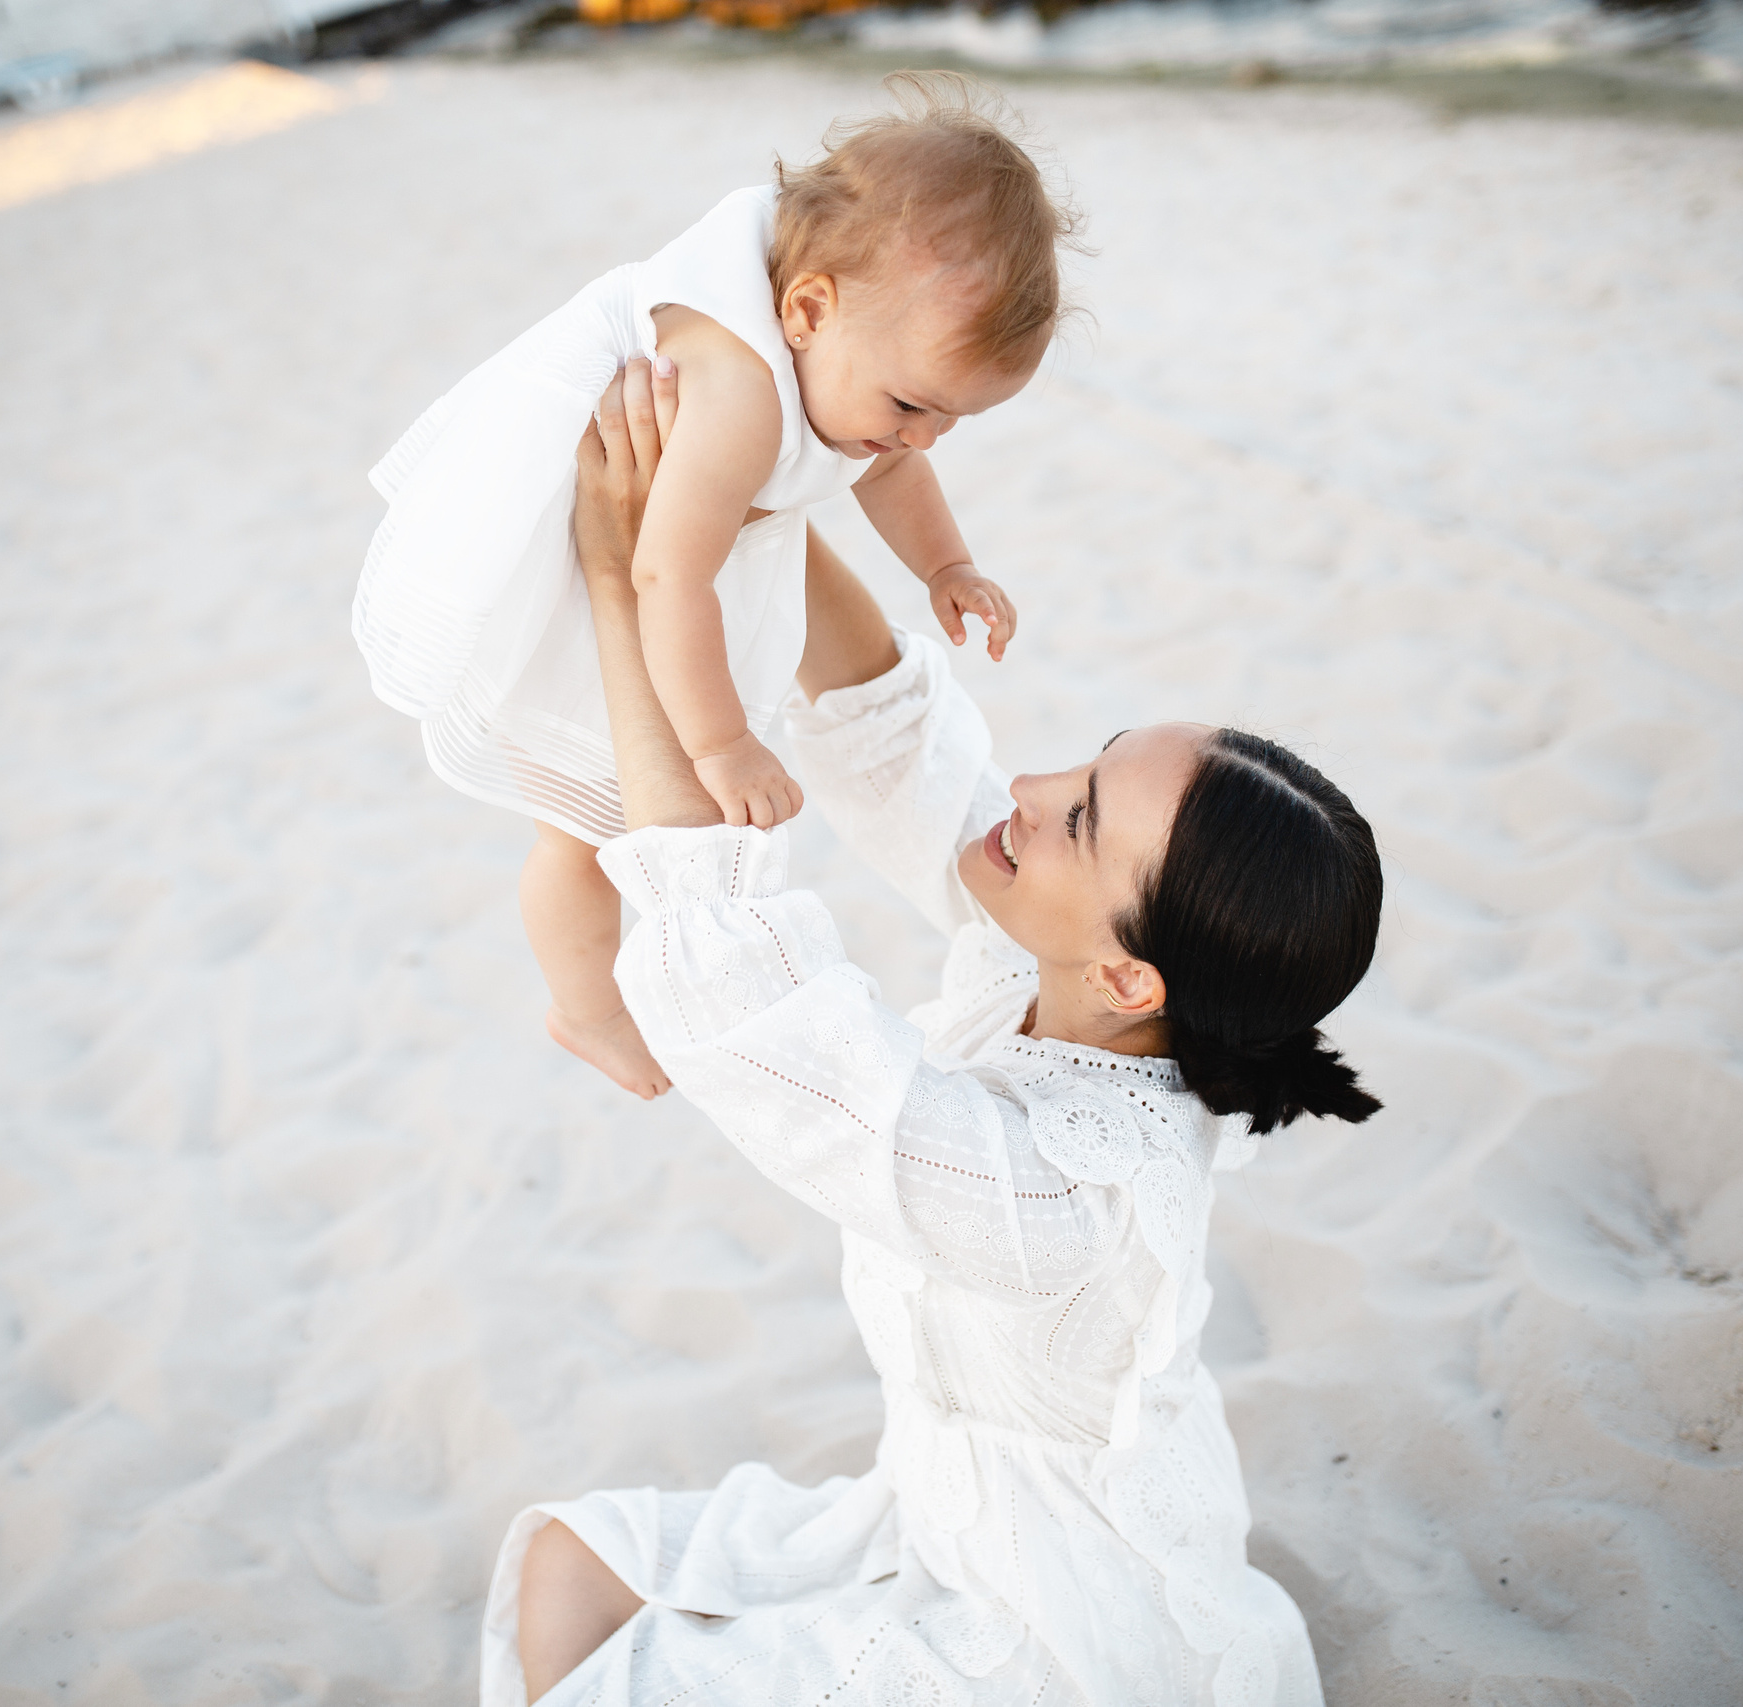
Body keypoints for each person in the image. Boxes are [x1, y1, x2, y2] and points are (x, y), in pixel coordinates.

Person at [482, 362, 1384, 1706]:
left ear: (1132, 976)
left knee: (585, 1646)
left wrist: (625, 587)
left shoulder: (1054, 1190)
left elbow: (746, 991)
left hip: (1046, 1637)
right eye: (1085, 759)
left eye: (1077, 817)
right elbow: (885, 726)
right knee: (571, 1553)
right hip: (939, 1515)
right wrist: (743, 505)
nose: (1029, 786)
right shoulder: (1062, 984)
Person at [354, 73, 1077, 1102]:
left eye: (951, 420)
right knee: (582, 825)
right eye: (912, 404)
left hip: (671, 550)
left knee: (598, 824)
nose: (919, 437)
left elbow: (893, 470)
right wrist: (721, 744)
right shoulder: (736, 393)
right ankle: (586, 1007)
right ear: (806, 309)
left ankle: (592, 997)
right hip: (594, 550)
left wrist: (945, 567)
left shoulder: (851, 352)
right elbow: (664, 568)